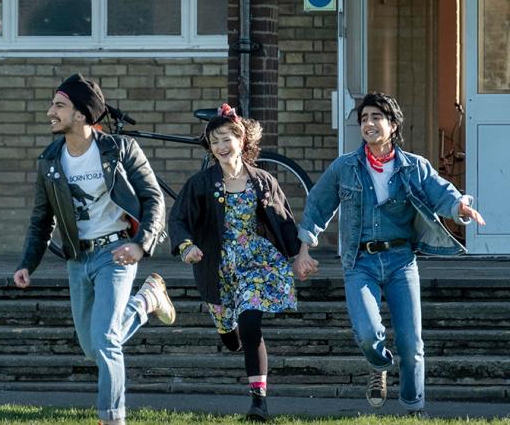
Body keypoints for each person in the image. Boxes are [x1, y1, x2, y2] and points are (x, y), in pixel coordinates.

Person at [293, 92, 485, 417]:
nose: (369, 124)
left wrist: (460, 206)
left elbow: (440, 192)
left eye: (376, 117)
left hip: (401, 262)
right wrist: (303, 251)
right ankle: (378, 364)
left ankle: (413, 409)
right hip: (359, 262)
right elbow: (318, 204)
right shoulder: (345, 167)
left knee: (411, 346)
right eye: (364, 119)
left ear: (392, 124)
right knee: (368, 334)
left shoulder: (414, 166)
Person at [13, 74, 175, 425]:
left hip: (116, 252)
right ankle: (147, 300)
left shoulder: (121, 150)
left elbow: (153, 199)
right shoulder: (50, 160)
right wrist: (28, 264)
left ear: (82, 116)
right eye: (52, 104)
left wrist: (141, 244)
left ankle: (112, 418)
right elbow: (42, 219)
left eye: (59, 106)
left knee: (105, 341)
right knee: (92, 347)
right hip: (78, 258)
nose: (49, 112)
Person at [168, 104, 304, 422]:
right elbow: (179, 220)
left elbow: (285, 222)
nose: (221, 146)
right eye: (214, 141)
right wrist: (186, 246)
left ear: (241, 140)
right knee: (230, 332)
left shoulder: (263, 181)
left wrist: (301, 255)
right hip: (217, 263)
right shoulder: (201, 184)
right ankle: (225, 327)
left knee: (251, 325)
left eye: (226, 138)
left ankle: (259, 403)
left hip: (257, 261)